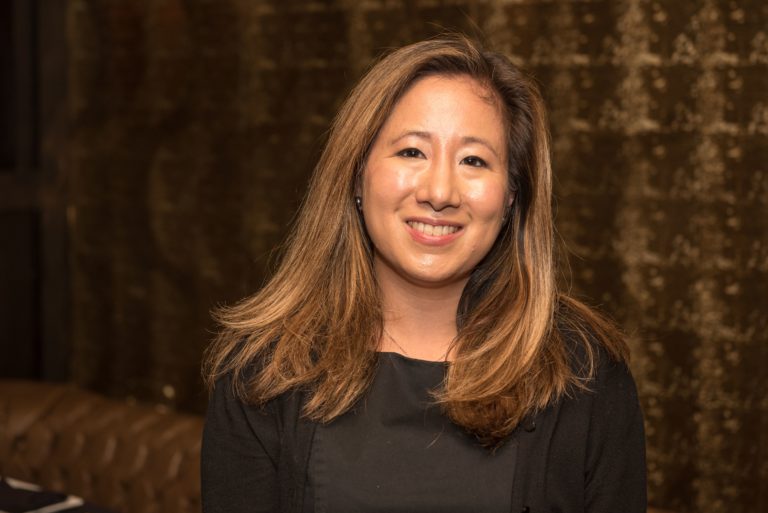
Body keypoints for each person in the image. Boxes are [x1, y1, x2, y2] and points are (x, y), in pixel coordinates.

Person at [200, 35, 646, 513]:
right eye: (412, 152)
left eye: (473, 160)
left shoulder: (585, 374)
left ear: (511, 196)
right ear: (357, 172)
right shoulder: (262, 372)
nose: (439, 192)